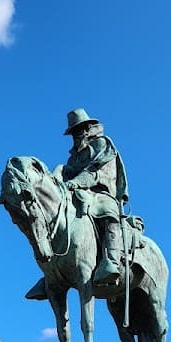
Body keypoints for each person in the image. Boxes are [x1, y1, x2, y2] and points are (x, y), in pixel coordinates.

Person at [59, 108, 128, 286]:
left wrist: (74, 182)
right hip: (78, 192)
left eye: (79, 129)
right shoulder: (73, 157)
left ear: (88, 128)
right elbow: (69, 174)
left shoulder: (102, 144)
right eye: (73, 132)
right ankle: (53, 271)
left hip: (102, 192)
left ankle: (112, 261)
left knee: (106, 210)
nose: (76, 134)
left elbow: (94, 172)